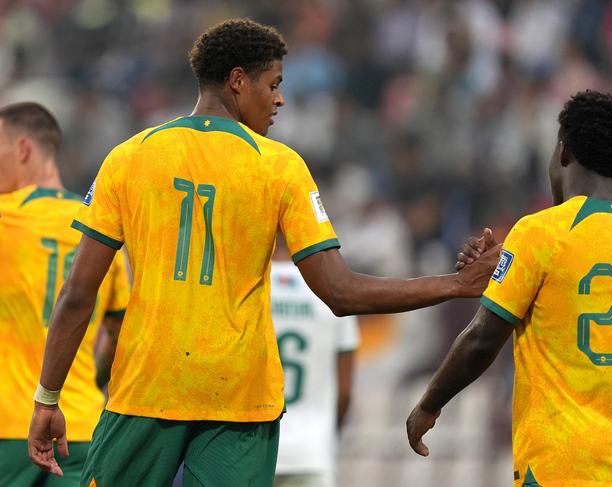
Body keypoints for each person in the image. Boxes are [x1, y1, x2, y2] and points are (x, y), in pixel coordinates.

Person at [27, 19, 500, 486]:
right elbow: (340, 292)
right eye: (273, 85)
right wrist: (455, 285)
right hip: (240, 400)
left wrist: (48, 397)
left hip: (145, 389)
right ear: (237, 81)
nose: (280, 99)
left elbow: (78, 294)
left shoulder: (130, 157)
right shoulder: (279, 166)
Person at [406, 90, 612, 486]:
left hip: (559, 461)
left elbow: (483, 339)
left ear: (564, 152)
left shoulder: (540, 232)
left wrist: (428, 405)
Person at [0, 102, 130, 486]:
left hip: (9, 425)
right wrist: (94, 376)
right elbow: (119, 331)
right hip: (84, 428)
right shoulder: (100, 230)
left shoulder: (6, 217)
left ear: (23, 149)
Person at [271, 239, 360, 487]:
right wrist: (328, 438)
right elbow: (344, 392)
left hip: (252, 448)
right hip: (312, 451)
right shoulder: (335, 290)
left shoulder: (248, 284)